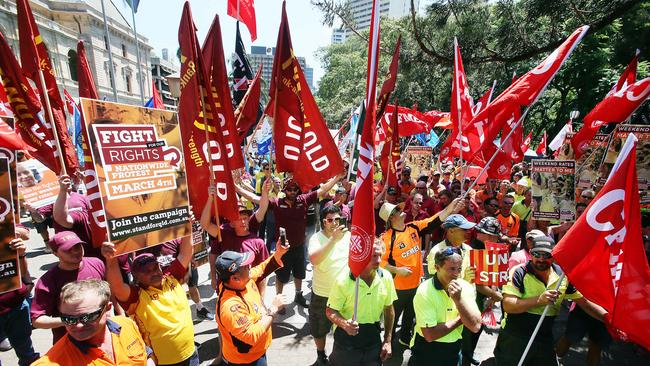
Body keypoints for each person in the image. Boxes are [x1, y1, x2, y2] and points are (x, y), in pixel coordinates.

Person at [494, 236, 607, 366]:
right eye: (537, 254)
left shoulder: (562, 275)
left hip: (544, 338)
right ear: (530, 254)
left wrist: (608, 319)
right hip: (515, 337)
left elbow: (584, 303)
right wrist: (539, 300)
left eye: (546, 255)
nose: (541, 259)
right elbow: (508, 305)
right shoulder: (518, 272)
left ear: (554, 256)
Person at [238, 174, 342, 309]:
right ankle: (279, 301)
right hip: (283, 248)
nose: (292, 192)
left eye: (295, 189)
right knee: (281, 276)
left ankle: (298, 295)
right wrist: (236, 187)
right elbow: (254, 198)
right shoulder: (276, 203)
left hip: (299, 246)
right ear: (284, 190)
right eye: (289, 189)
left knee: (299, 274)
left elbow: (322, 191)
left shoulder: (304, 200)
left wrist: (336, 178)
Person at [102, 236, 198, 365]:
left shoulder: (171, 277)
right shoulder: (136, 296)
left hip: (192, 354)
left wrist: (188, 226)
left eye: (155, 267)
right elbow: (117, 286)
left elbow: (186, 252)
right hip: (164, 362)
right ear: (136, 277)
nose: (153, 272)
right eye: (146, 271)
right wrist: (110, 259)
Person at [380, 198, 461, 347]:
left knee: (410, 315)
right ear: (391, 217)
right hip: (397, 288)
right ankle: (387, 342)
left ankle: (404, 338)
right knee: (393, 316)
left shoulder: (414, 228)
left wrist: (452, 205)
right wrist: (397, 270)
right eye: (397, 210)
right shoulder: (386, 238)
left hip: (416, 285)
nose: (402, 210)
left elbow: (435, 220)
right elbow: (380, 262)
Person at [32, 279, 154, 366]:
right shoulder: (54, 361)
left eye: (87, 317)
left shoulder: (127, 324)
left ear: (108, 308)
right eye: (69, 319)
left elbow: (145, 355)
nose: (78, 325)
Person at [215, 243, 289, 366]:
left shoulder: (244, 280)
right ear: (235, 278)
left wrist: (278, 253)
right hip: (245, 361)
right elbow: (252, 335)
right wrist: (273, 308)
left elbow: (261, 269)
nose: (250, 266)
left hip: (257, 352)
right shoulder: (230, 307)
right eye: (245, 266)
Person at [326, 239, 397, 366]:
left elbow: (389, 309)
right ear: (362, 256)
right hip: (346, 341)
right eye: (374, 256)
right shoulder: (343, 280)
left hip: (373, 339)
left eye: (380, 255)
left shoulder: (386, 277)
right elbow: (330, 310)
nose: (379, 260)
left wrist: (387, 340)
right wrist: (345, 324)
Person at [409, 248, 481, 366]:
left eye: (459, 269)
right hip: (425, 351)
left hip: (453, 349)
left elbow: (475, 326)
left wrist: (458, 300)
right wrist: (461, 319)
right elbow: (430, 335)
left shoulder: (466, 288)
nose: (456, 274)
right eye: (451, 269)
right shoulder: (424, 291)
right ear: (437, 268)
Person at [31, 231, 106, 343]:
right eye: (68, 249)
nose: (75, 251)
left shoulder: (96, 263)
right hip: (71, 341)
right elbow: (37, 320)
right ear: (55, 253)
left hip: (101, 335)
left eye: (77, 246)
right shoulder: (47, 281)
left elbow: (108, 294)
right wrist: (69, 321)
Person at [209, 179, 272, 296]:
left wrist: (263, 191)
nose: (243, 221)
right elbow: (213, 254)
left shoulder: (251, 225)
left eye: (245, 216)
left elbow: (263, 207)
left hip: (249, 287)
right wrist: (213, 277)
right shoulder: (223, 231)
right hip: (228, 287)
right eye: (238, 216)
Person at [307, 205, 350, 366]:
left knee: (343, 328)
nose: (334, 223)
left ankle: (338, 356)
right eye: (330, 220)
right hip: (322, 294)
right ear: (324, 222)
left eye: (337, 219)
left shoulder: (347, 235)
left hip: (344, 293)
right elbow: (314, 259)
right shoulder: (316, 238)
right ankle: (321, 354)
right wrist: (333, 239)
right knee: (319, 329)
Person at [0, 238, 39, 366]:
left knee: (26, 351)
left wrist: (21, 253)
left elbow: (20, 269)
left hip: (16, 304)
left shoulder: (4, 231)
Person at [52, 174, 102, 258]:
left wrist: (89, 183)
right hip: (81, 254)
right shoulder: (80, 215)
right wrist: (63, 191)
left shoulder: (81, 196)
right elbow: (62, 219)